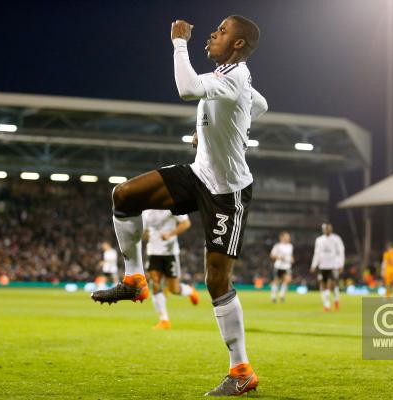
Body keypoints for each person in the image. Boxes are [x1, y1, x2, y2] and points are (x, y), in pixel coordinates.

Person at [91, 15, 267, 396]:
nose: (212, 34)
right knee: (124, 195)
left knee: (216, 279)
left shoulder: (234, 75)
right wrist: (219, 131)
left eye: (221, 31)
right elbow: (261, 104)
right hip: (199, 173)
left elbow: (188, 89)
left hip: (227, 190)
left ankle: (241, 371)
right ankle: (134, 279)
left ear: (238, 44)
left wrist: (178, 43)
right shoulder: (233, 76)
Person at [142, 209, 199, 329]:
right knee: (155, 284)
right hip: (153, 252)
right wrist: (142, 234)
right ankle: (164, 320)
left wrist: (170, 234)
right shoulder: (146, 210)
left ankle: (189, 290)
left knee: (173, 289)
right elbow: (145, 232)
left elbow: (186, 223)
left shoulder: (172, 206)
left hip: (170, 253)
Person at [310, 223, 344, 311]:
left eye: (329, 228)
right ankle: (327, 305)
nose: (327, 230)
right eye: (326, 228)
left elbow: (341, 252)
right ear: (323, 229)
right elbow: (316, 253)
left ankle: (336, 299)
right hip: (322, 266)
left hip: (333, 265)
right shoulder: (319, 240)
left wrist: (341, 264)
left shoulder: (336, 239)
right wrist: (314, 265)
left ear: (331, 229)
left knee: (332, 284)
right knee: (322, 284)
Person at [269, 231, 294, 303]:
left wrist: (292, 259)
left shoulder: (290, 246)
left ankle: (282, 295)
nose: (288, 238)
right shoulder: (277, 246)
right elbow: (272, 255)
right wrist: (278, 257)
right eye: (287, 237)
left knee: (288, 280)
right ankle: (273, 296)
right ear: (282, 237)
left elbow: (290, 255)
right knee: (277, 281)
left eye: (288, 237)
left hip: (287, 266)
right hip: (279, 266)